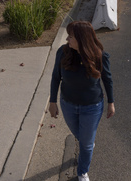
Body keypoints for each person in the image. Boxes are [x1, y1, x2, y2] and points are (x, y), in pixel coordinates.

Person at [49, 21, 115, 181]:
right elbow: (56, 77)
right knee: (81, 136)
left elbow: (107, 79)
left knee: (85, 144)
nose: (68, 39)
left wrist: (111, 102)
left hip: (92, 107)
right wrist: (52, 101)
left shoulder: (99, 56)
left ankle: (82, 172)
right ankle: (88, 143)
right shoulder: (63, 53)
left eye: (71, 37)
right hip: (68, 105)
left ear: (81, 39)